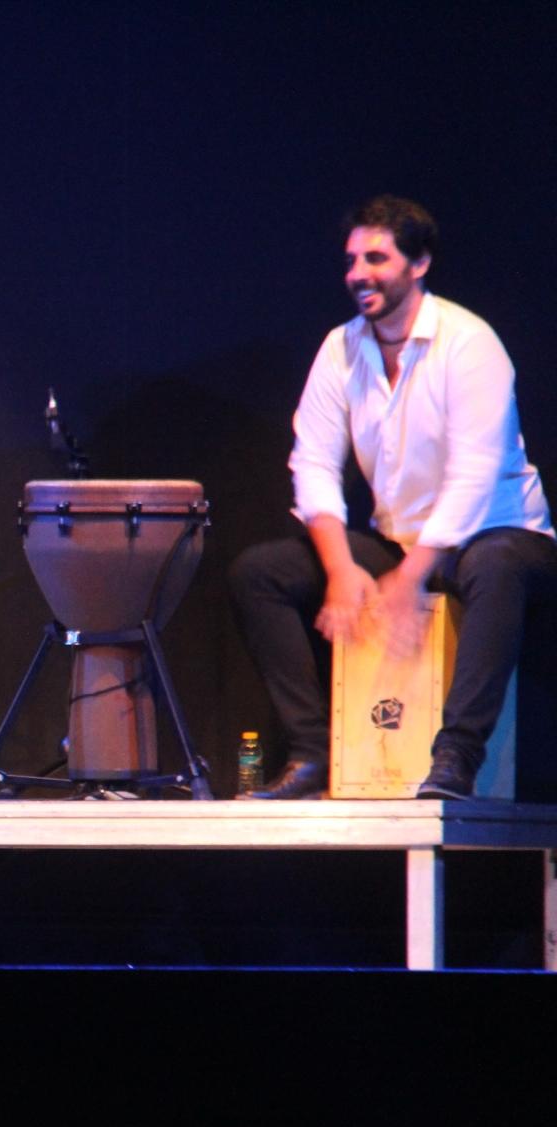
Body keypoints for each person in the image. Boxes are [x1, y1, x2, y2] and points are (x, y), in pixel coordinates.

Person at [229, 196, 557, 800]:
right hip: (402, 537)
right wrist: (339, 569)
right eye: (352, 260)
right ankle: (311, 755)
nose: (358, 273)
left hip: (500, 533)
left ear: (419, 263)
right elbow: (313, 462)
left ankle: (456, 758)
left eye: (376, 258)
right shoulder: (342, 348)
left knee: (495, 563)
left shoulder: (468, 343)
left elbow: (474, 475)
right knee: (261, 572)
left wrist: (410, 578)